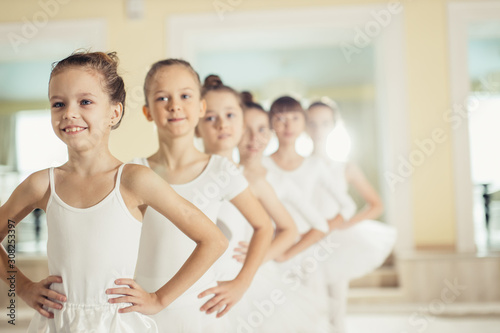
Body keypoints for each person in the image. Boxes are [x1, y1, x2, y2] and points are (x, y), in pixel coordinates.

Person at [0, 51, 228, 333]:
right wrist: (22, 287)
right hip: (57, 323)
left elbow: (213, 240)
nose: (70, 112)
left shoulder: (134, 180)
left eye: (85, 102)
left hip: (117, 323)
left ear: (114, 112)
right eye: (58, 103)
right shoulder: (42, 184)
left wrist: (159, 299)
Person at [131, 59, 273, 332]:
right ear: (148, 111)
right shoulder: (135, 172)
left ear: (200, 107)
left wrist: (241, 283)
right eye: (163, 98)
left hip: (199, 306)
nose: (175, 105)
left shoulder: (220, 170)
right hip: (147, 304)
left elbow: (263, 226)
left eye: (185, 96)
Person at [306, 100, 397, 332]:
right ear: (305, 126)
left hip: (336, 240)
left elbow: (376, 204)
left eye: (324, 123)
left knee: (337, 301)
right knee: (309, 300)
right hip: (306, 238)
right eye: (312, 123)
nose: (318, 129)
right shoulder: (300, 165)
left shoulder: (345, 167)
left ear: (333, 125)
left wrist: (347, 224)